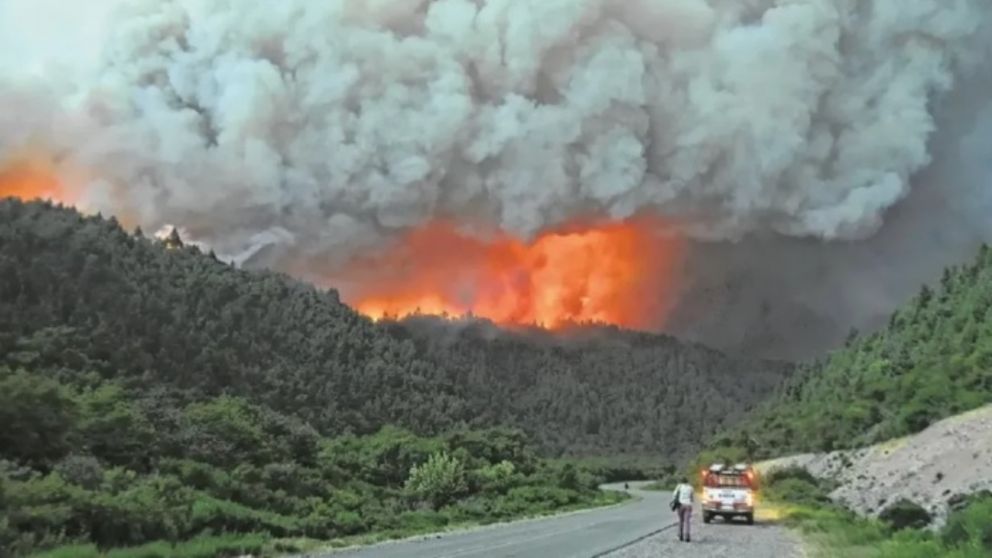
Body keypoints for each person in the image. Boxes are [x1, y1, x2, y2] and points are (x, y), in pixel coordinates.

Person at [672, 476, 694, 542]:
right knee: (687, 521)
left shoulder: (679, 486)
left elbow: (674, 495)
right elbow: (692, 498)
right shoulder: (691, 488)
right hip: (688, 505)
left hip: (680, 505)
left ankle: (680, 535)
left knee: (681, 520)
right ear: (687, 481)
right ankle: (687, 536)